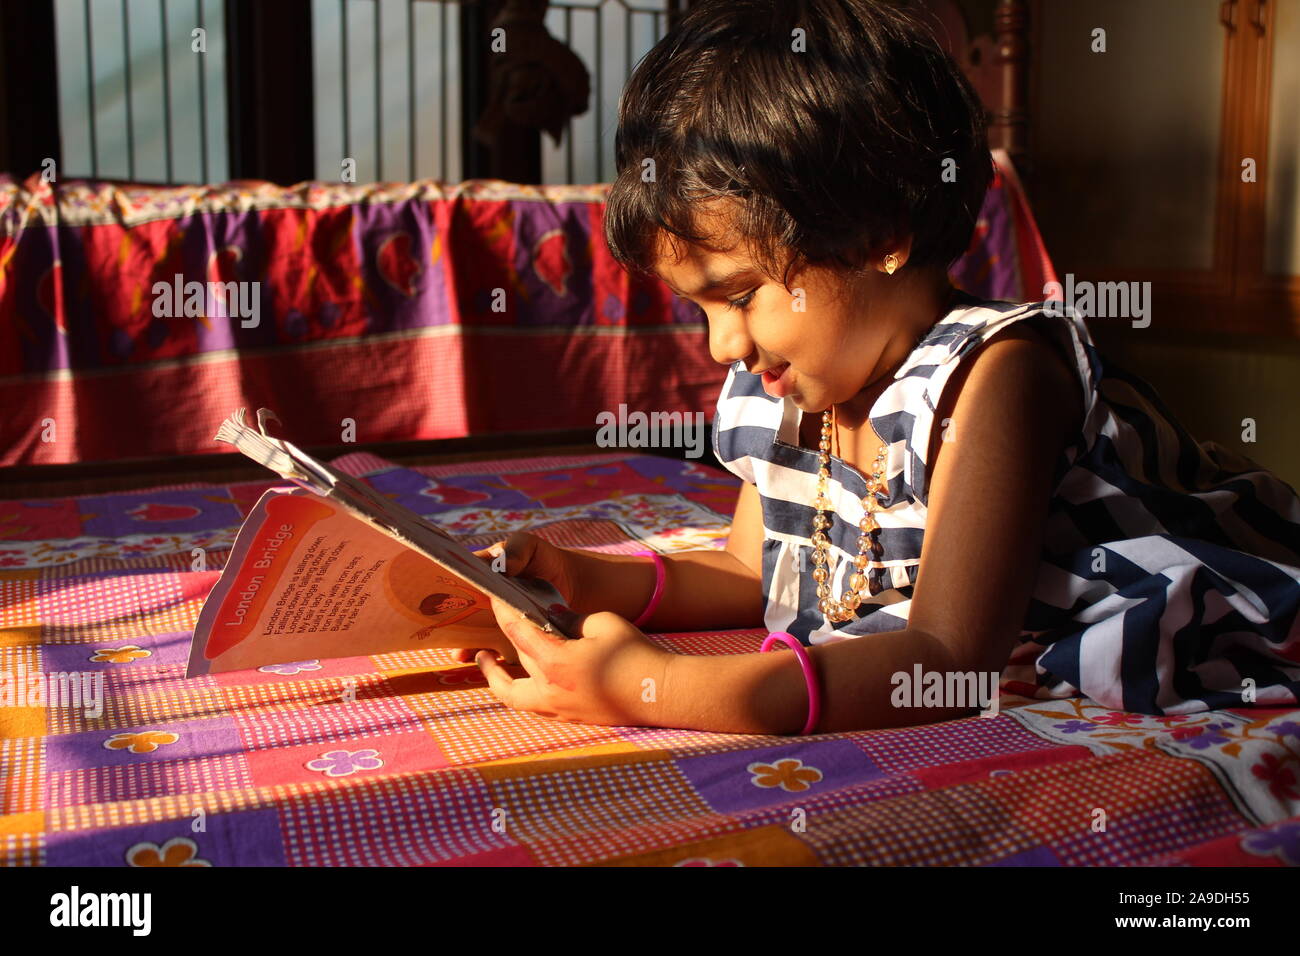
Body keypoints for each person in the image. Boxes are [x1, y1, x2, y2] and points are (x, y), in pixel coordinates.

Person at [455, 0, 1300, 734]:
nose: (721, 347)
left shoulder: (997, 374)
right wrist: (576, 578)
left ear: (880, 239)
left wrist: (658, 686)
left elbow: (949, 658)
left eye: (740, 294)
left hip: (1219, 598)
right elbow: (753, 568)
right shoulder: (785, 384)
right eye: (699, 307)